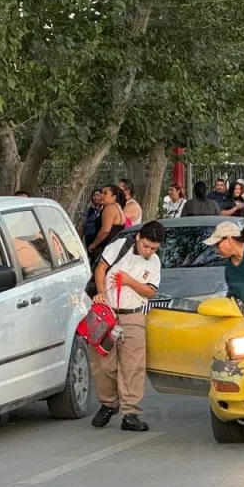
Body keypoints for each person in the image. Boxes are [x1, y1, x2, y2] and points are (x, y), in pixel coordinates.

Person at [89, 220, 164, 433]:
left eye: (154, 248)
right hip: (108, 313)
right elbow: (101, 268)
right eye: (146, 245)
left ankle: (130, 412)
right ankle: (108, 403)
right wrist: (101, 293)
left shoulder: (154, 261)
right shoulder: (120, 247)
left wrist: (130, 281)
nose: (148, 251)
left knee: (133, 366)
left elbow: (150, 292)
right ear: (139, 237)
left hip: (133, 316)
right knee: (103, 363)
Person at [86, 184, 127, 264]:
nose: (101, 195)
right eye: (102, 193)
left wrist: (94, 244)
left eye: (105, 193)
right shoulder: (118, 207)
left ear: (114, 197)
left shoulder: (109, 208)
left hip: (105, 249)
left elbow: (106, 230)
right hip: (114, 248)